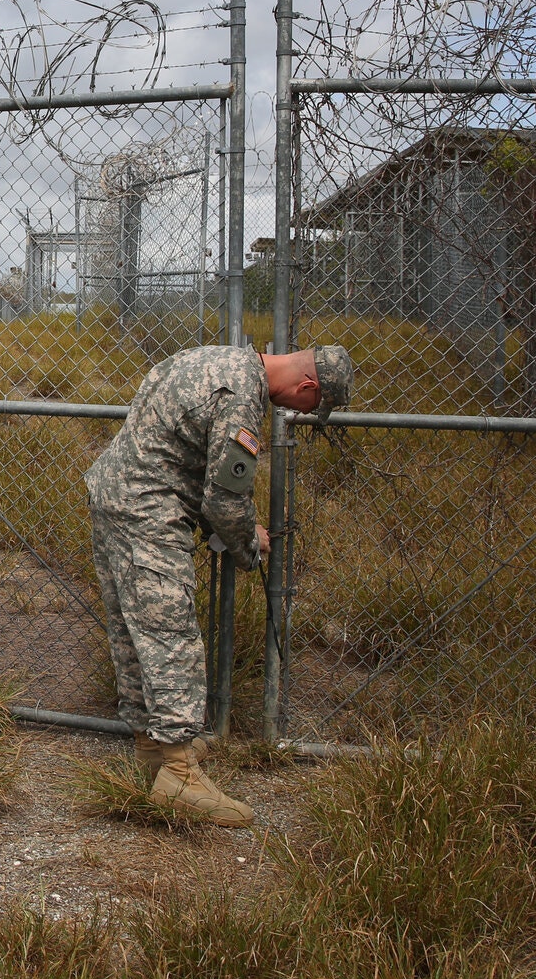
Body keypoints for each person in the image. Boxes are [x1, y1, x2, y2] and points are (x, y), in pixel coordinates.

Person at [83, 343, 353, 826]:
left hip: (113, 493)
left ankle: (152, 744)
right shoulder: (242, 398)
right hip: (149, 510)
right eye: (311, 407)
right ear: (306, 387)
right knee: (170, 634)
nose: (299, 413)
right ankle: (179, 775)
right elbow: (225, 500)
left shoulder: (213, 358)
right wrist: (250, 544)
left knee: (132, 629)